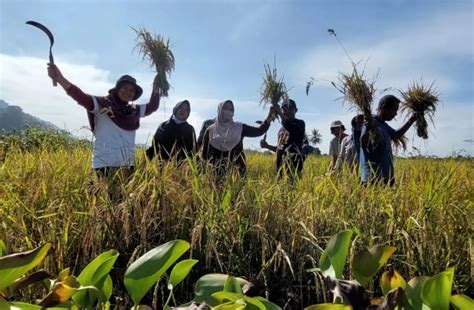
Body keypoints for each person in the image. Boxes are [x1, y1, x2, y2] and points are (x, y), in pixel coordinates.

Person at [47, 63, 160, 180]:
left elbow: (153, 106)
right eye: (124, 88)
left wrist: (159, 80)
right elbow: (81, 97)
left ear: (134, 95)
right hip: (104, 164)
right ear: (117, 90)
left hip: (127, 165)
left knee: (124, 198)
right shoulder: (102, 104)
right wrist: (60, 79)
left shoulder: (134, 111)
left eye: (131, 90)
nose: (128, 92)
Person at [201, 100, 274, 178]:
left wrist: (270, 116)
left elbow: (259, 131)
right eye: (225, 108)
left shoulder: (239, 128)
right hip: (217, 176)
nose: (228, 111)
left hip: (238, 174)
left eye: (231, 109)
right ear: (219, 110)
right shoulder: (210, 131)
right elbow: (205, 156)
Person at [360, 95, 416, 185]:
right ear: (383, 108)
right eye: (394, 110)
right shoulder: (369, 122)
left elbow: (397, 135)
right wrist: (368, 128)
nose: (395, 114)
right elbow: (362, 144)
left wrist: (412, 119)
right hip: (372, 177)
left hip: (387, 175)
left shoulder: (384, 125)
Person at [260, 99, 306, 179]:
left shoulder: (300, 124)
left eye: (290, 108)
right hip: (280, 171)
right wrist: (267, 146)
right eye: (284, 109)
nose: (287, 111)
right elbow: (280, 149)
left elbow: (290, 127)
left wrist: (279, 113)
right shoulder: (281, 130)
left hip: (293, 170)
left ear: (296, 110)